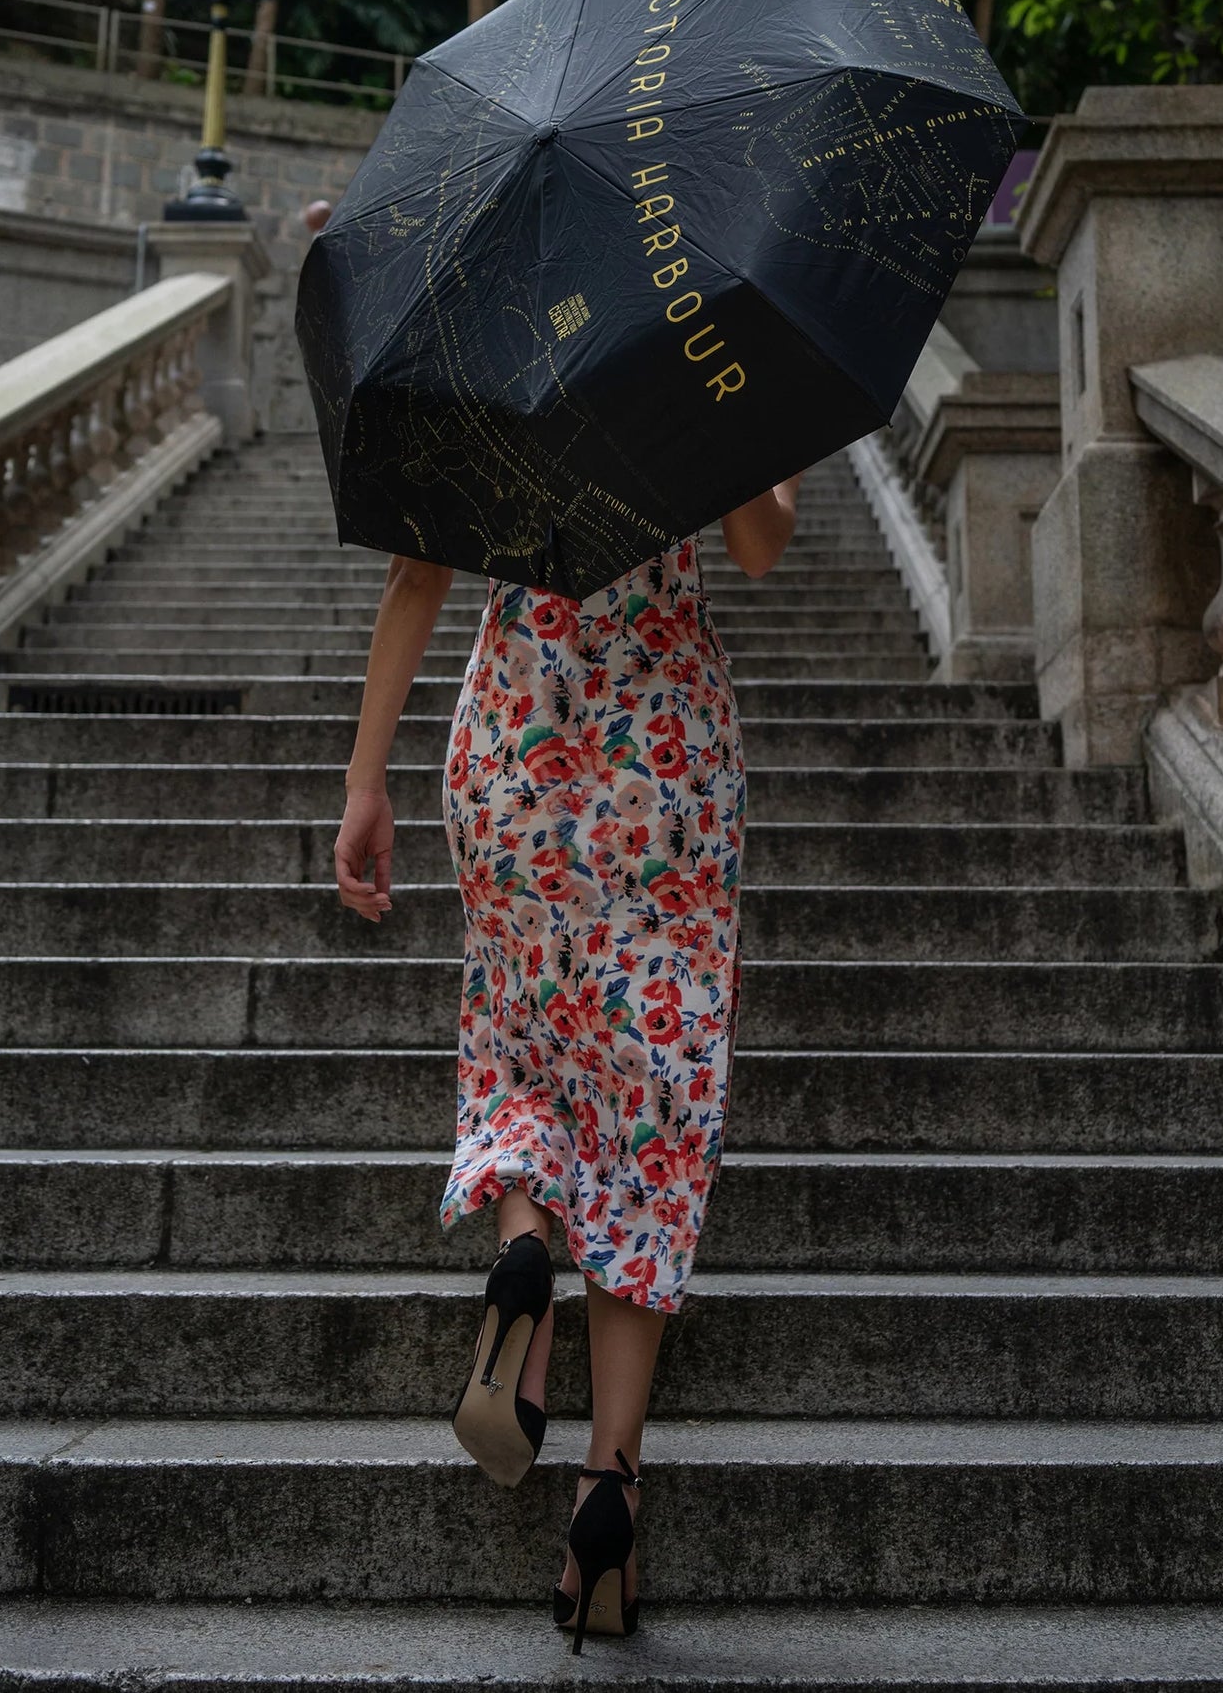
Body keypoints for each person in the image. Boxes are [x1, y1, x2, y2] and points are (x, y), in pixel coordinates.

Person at [333, 479, 801, 1649]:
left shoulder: (494, 331)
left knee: (516, 1044)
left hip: (513, 739)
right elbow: (755, 545)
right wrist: (723, 417)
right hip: (664, 763)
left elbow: (416, 575)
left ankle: (525, 1253)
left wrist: (363, 780)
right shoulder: (711, 334)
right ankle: (607, 1491)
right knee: (649, 1112)